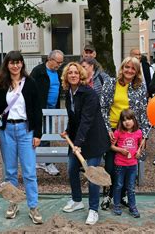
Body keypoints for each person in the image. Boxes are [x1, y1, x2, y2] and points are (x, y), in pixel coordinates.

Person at [0, 50, 43, 224]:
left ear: (22, 64)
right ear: (7, 65)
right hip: (7, 131)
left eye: (18, 62)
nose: (15, 66)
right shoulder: (0, 85)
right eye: (12, 63)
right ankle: (13, 203)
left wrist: (37, 133)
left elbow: (37, 109)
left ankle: (33, 206)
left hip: (26, 130)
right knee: (10, 171)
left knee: (29, 171)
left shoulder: (30, 83)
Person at [59, 62, 110, 225]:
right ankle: (77, 200)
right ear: (66, 76)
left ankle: (93, 210)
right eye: (70, 73)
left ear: (80, 75)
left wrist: (78, 143)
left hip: (94, 139)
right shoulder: (69, 93)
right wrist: (68, 130)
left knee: (92, 174)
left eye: (76, 72)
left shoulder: (89, 94)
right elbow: (74, 117)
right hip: (77, 139)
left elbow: (87, 120)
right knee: (72, 168)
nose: (73, 75)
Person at [100, 56, 150, 210]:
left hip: (131, 131)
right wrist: (108, 128)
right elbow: (103, 108)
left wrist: (144, 135)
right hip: (113, 130)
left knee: (128, 164)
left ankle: (121, 196)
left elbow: (143, 111)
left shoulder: (140, 87)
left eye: (133, 68)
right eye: (126, 67)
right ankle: (107, 195)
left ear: (137, 72)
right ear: (122, 68)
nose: (129, 70)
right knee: (110, 164)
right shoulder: (110, 83)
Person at [30, 49, 64, 176]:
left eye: (61, 63)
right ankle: (37, 160)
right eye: (58, 62)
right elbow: (30, 88)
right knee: (38, 134)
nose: (59, 65)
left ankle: (46, 161)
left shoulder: (59, 73)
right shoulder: (38, 71)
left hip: (52, 108)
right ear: (50, 59)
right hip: (39, 108)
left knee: (48, 133)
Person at [111, 109, 143, 218]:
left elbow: (140, 147)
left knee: (131, 187)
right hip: (120, 164)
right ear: (121, 122)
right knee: (118, 185)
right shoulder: (118, 132)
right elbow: (112, 146)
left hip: (132, 164)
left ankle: (132, 206)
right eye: (124, 120)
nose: (127, 122)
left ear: (134, 120)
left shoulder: (138, 132)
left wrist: (139, 153)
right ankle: (116, 205)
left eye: (129, 119)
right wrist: (120, 150)